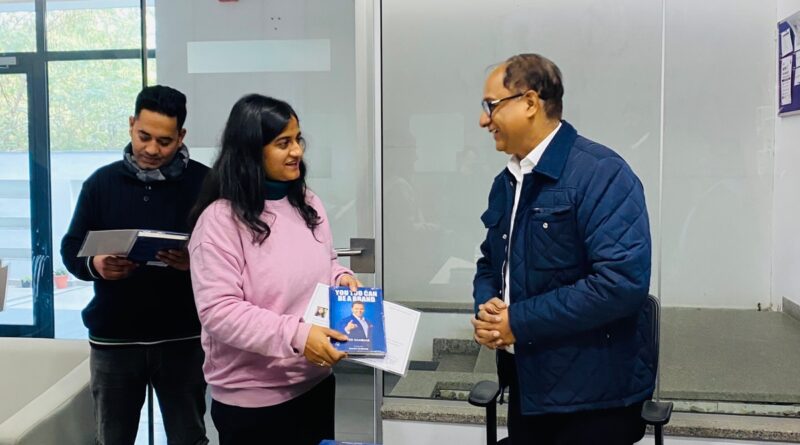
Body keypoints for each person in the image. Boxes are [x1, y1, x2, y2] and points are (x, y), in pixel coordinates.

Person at [470, 54, 655, 445]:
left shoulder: (602, 174)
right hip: (529, 388)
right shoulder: (507, 181)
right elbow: (490, 262)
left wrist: (518, 321)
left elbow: (621, 283)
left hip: (593, 400)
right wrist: (488, 307)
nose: (484, 120)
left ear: (530, 103)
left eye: (491, 105)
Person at [187, 94, 361, 445]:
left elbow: (325, 260)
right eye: (283, 143)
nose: (297, 151)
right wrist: (297, 335)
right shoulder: (220, 221)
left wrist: (340, 277)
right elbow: (219, 312)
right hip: (255, 400)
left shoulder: (307, 202)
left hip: (315, 383)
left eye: (298, 139)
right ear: (251, 151)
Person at [60, 85, 209, 445]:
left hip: (182, 337)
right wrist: (96, 265)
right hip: (115, 338)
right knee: (113, 438)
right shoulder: (101, 183)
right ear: (131, 125)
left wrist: (194, 262)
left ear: (181, 136)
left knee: (188, 437)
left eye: (165, 141)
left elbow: (231, 255)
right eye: (144, 137)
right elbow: (71, 248)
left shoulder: (205, 184)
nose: (152, 149)